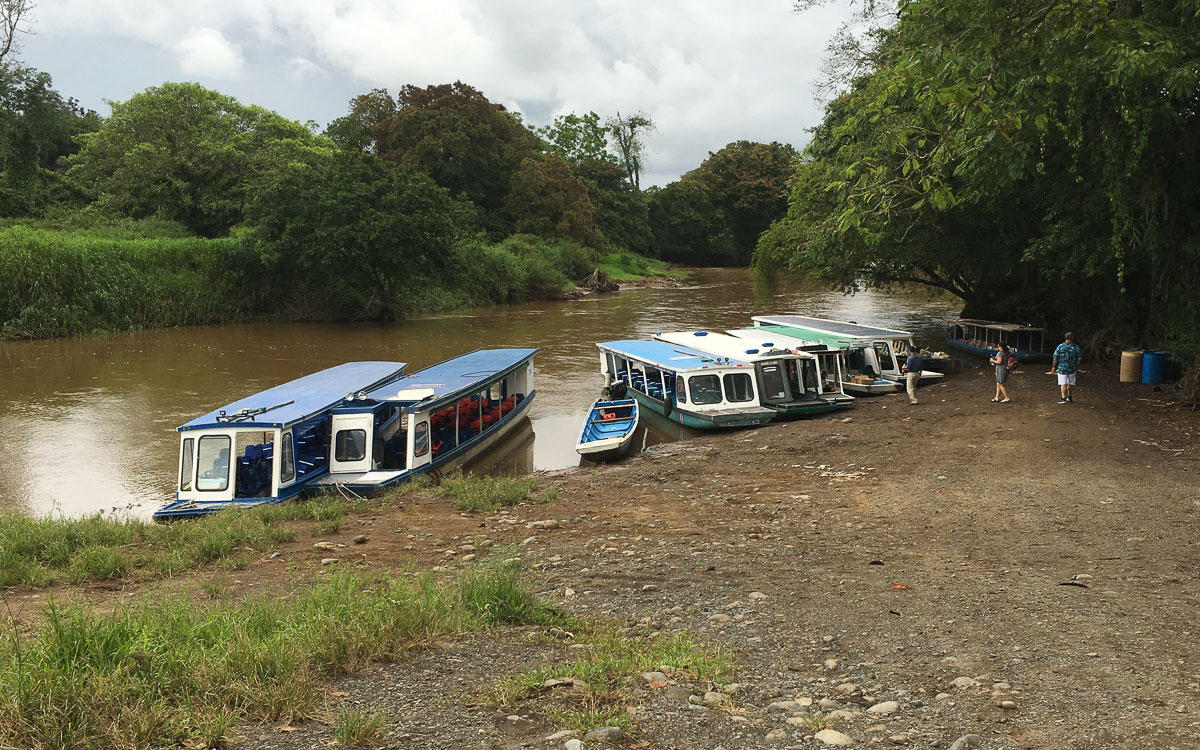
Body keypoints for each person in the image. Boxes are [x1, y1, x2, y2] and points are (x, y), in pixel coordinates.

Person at [1051, 331, 1083, 404]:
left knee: (1063, 383)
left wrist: (1054, 367)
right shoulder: (1076, 347)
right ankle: (1069, 397)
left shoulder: (1060, 346)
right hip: (1072, 368)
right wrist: (1077, 366)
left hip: (1062, 368)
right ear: (1072, 338)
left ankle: (1063, 398)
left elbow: (1055, 357)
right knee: (1071, 383)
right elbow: (1079, 358)